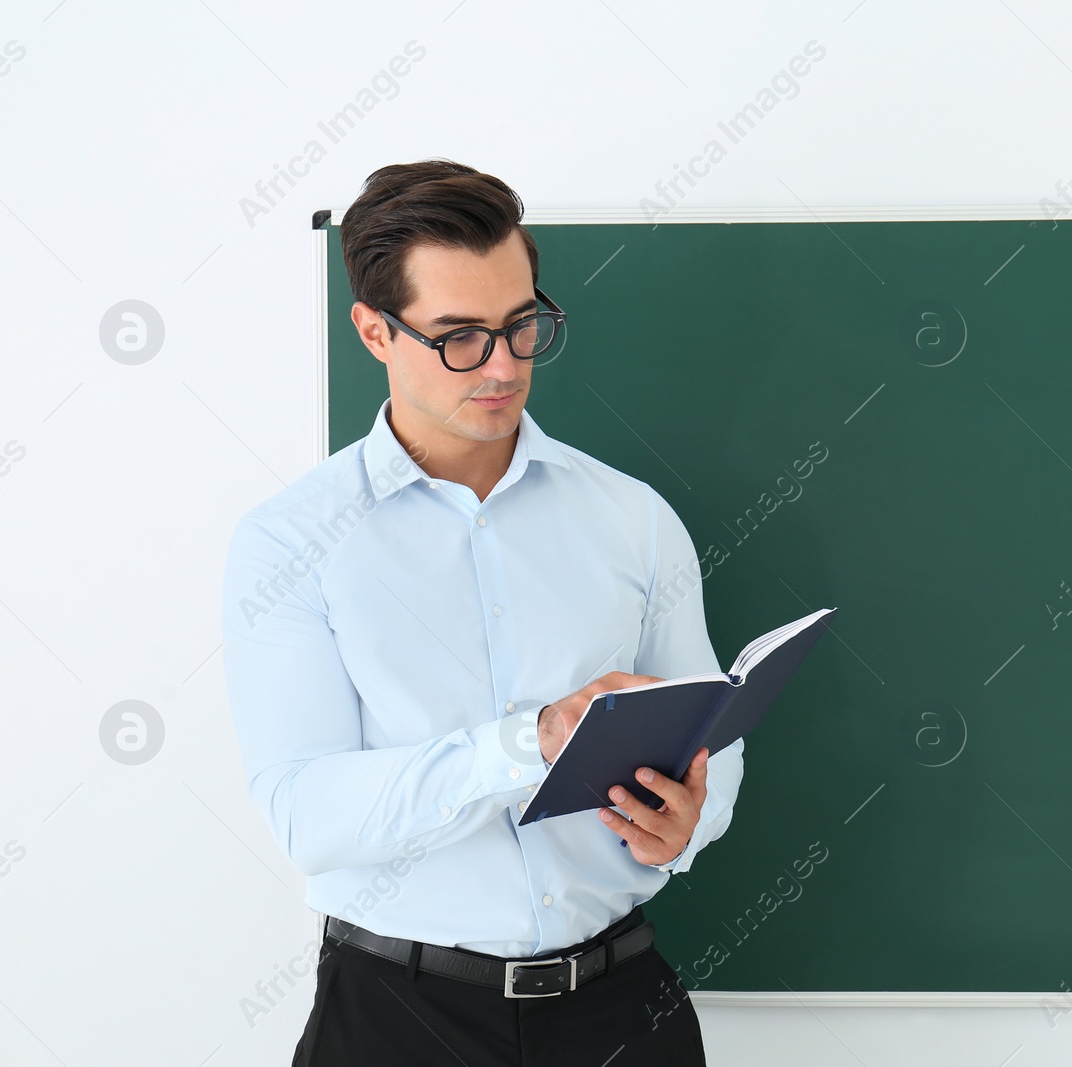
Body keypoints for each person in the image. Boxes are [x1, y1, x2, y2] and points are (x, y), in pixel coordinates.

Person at [220, 159, 742, 1065]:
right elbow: (308, 813)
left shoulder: (633, 518)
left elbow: (714, 734)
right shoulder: (291, 542)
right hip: (394, 1019)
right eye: (459, 336)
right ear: (374, 331)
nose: (503, 366)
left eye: (521, 325)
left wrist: (691, 816)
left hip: (621, 1012)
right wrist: (526, 740)